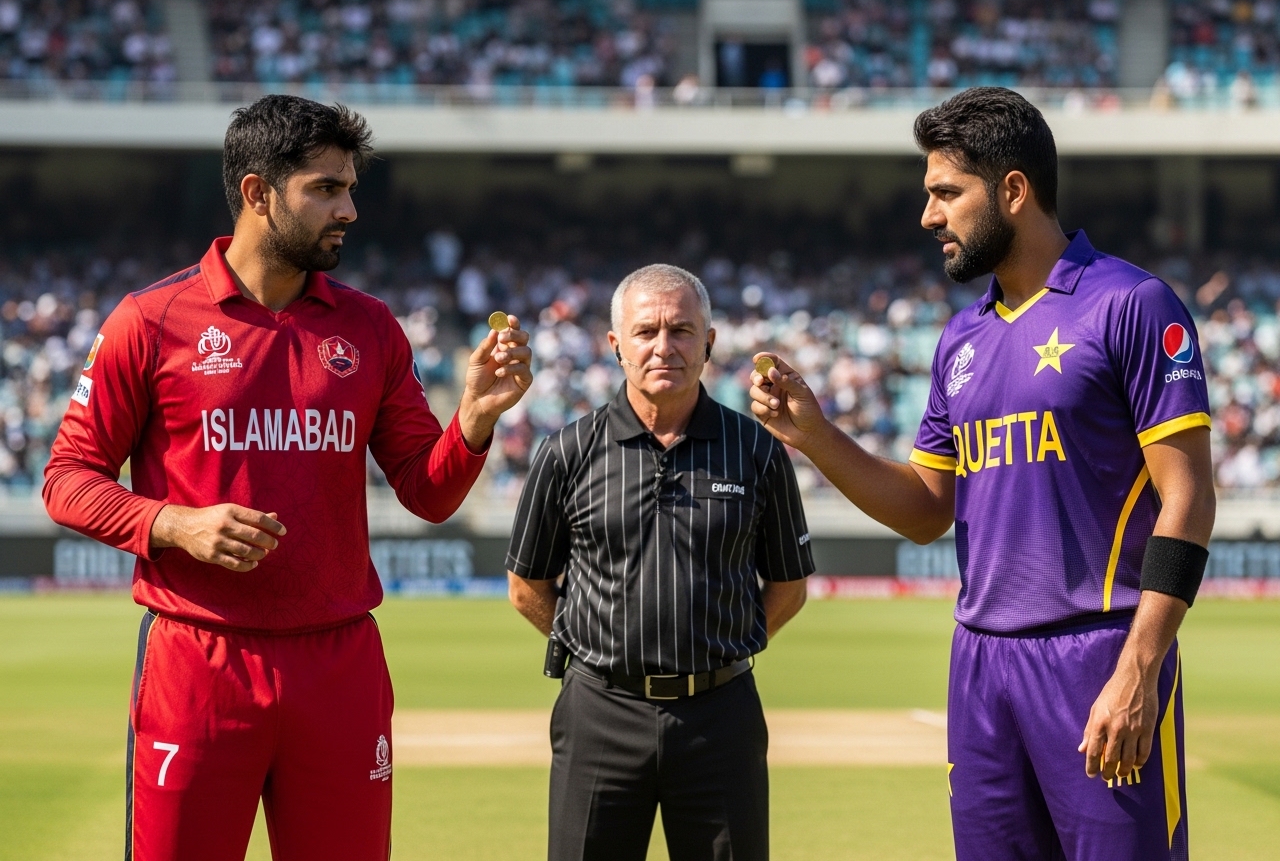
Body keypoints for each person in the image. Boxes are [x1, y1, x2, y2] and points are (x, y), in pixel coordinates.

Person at [42, 95, 533, 861]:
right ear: (258, 193)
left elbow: (427, 493)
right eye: (326, 189)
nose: (351, 209)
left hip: (339, 665)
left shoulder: (370, 327)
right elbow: (66, 478)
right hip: (198, 660)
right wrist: (175, 523)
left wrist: (472, 418)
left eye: (351, 188)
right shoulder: (150, 320)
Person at [750, 87, 1214, 861]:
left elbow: (1189, 499)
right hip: (981, 666)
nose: (929, 216)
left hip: (1099, 656)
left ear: (1013, 190)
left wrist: (1141, 666)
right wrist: (816, 437)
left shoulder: (1132, 304)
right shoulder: (960, 340)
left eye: (945, 193)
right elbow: (928, 508)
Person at [506, 264, 813, 861]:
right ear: (616, 345)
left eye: (681, 330)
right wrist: (601, 652)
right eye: (646, 332)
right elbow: (526, 585)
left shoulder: (755, 449)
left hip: (720, 717)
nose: (663, 346)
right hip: (599, 713)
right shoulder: (567, 451)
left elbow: (789, 586)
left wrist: (719, 648)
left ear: (709, 342)